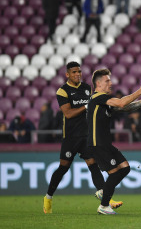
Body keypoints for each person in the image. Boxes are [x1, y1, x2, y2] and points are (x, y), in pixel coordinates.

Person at [43, 62, 121, 214]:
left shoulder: (86, 88)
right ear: (67, 74)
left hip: (86, 135)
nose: (77, 74)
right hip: (71, 137)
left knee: (93, 164)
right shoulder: (63, 91)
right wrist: (86, 106)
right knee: (63, 168)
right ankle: (48, 197)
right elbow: (68, 114)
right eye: (74, 72)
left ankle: (104, 197)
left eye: (79, 71)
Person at [87, 69, 141, 214]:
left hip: (106, 143)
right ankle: (104, 205)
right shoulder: (97, 97)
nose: (111, 83)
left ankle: (103, 193)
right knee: (114, 173)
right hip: (97, 143)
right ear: (98, 83)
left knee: (125, 168)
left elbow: (126, 108)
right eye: (107, 81)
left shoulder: (104, 101)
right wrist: (140, 91)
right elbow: (122, 103)